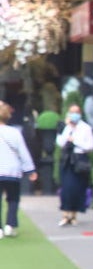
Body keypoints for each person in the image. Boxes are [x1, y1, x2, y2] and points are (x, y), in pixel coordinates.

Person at [0, 101, 38, 237]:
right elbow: (23, 153)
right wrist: (30, 170)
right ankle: (10, 224)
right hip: (12, 171)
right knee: (13, 198)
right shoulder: (14, 132)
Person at [55, 103, 93, 226]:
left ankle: (73, 214)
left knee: (77, 188)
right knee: (66, 188)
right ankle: (65, 214)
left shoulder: (86, 128)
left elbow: (90, 146)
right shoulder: (65, 127)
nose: (74, 115)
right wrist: (67, 128)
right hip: (67, 159)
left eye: (76, 112)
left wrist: (76, 141)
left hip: (79, 160)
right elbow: (60, 142)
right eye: (72, 112)